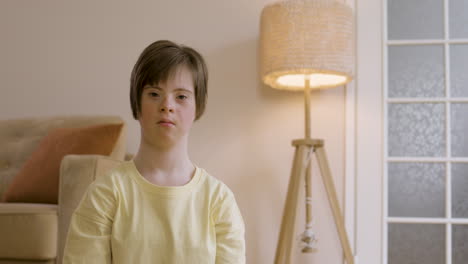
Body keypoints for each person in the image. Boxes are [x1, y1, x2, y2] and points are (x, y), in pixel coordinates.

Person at [63, 40, 246, 263]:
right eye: (154, 93)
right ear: (137, 104)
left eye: (181, 96)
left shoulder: (219, 200)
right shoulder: (105, 194)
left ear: (197, 106)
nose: (167, 106)